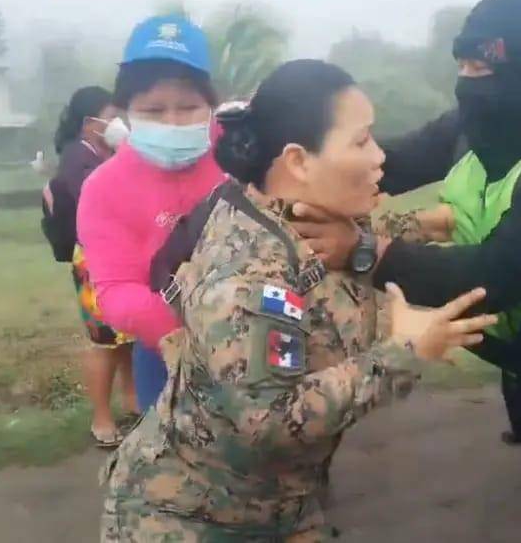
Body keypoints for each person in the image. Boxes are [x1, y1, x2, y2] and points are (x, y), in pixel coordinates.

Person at [294, 0, 521, 540]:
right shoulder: (472, 126)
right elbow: (386, 164)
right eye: (461, 65)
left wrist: (363, 252)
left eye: (482, 67)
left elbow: (494, 277)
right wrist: (299, 164)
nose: (467, 83)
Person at [99, 59, 496, 542]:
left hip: (279, 502)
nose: (380, 157)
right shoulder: (246, 281)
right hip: (191, 519)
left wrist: (425, 225)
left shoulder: (286, 209)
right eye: (361, 142)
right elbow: (269, 423)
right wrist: (404, 352)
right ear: (298, 162)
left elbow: (335, 242)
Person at [77, 15, 227, 412]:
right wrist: (200, 338)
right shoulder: (104, 188)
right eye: (154, 109)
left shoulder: (239, 153)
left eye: (189, 107)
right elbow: (116, 291)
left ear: (211, 106)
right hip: (165, 348)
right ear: (127, 111)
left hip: (261, 333)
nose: (172, 122)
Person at [41, 86, 136, 447]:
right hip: (94, 261)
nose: (117, 123)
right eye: (111, 117)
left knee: (126, 337)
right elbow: (103, 200)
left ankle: (132, 402)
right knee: (104, 342)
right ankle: (101, 418)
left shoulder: (99, 152)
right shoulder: (77, 158)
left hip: (117, 256)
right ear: (89, 123)